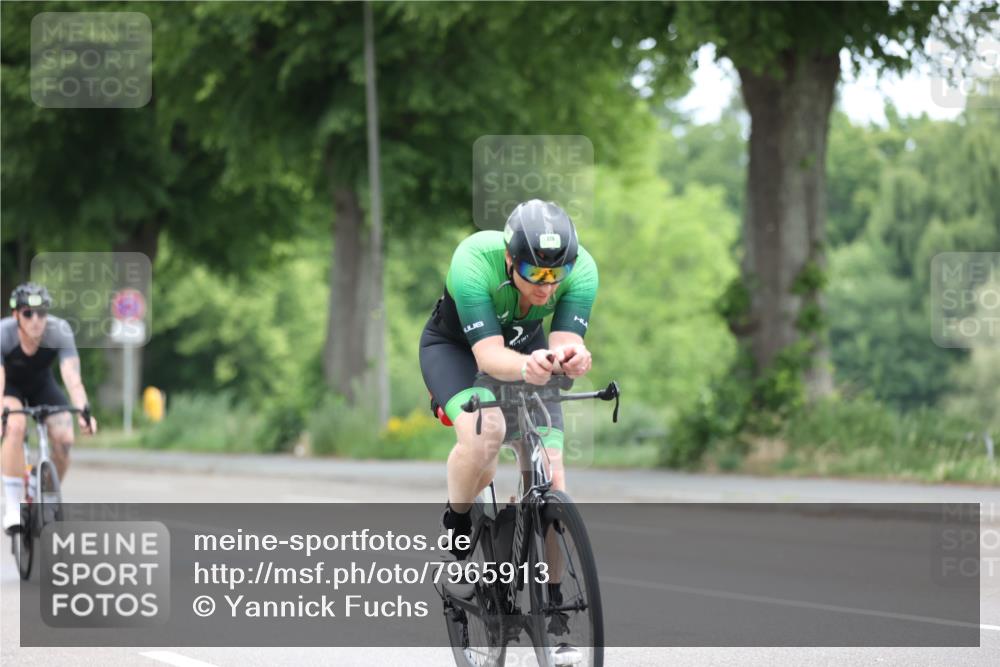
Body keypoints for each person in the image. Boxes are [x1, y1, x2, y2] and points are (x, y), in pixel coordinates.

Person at [1, 283, 97, 533]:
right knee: (15, 425)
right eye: (28, 313)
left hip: (42, 385)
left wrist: (84, 412)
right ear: (16, 315)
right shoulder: (3, 334)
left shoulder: (59, 331)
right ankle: (13, 506)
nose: (36, 320)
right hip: (10, 387)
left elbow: (72, 376)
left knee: (65, 439)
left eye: (42, 313)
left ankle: (43, 488)